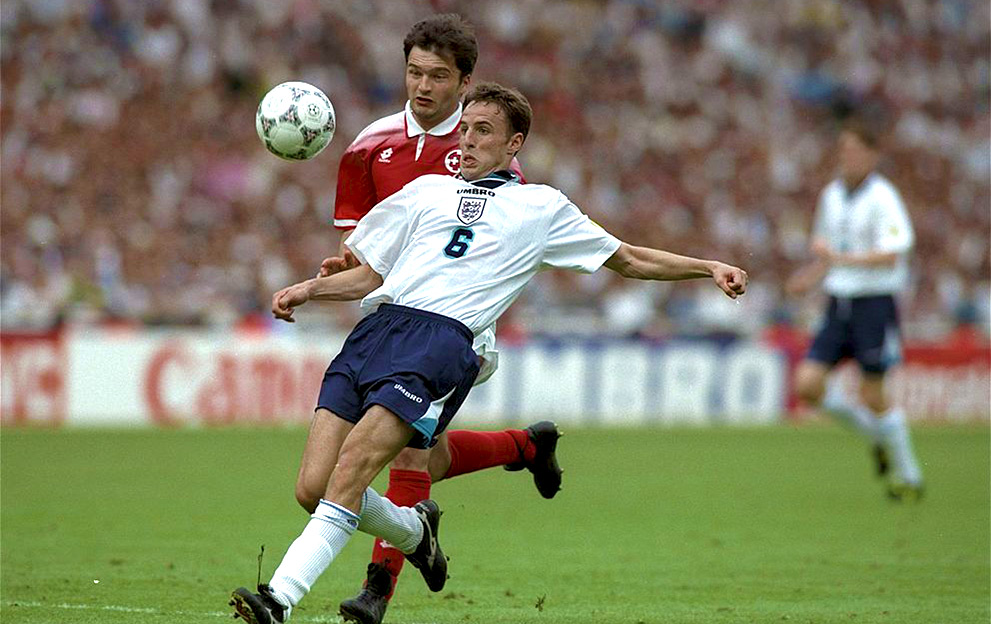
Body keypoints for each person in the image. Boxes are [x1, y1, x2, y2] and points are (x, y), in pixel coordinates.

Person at [230, 82, 748, 624]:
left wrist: (706, 266)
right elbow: (372, 273)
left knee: (354, 468)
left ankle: (278, 599)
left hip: (439, 344)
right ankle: (414, 531)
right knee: (314, 489)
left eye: (484, 131)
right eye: (466, 129)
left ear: (513, 144)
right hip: (374, 333)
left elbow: (629, 259)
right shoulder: (426, 191)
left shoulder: (541, 207)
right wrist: (310, 291)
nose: (468, 140)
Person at [317, 15, 556, 624]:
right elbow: (366, 244)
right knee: (428, 453)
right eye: (414, 72)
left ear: (465, 81)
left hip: (456, 325)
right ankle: (525, 446)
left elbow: (498, 236)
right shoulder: (367, 146)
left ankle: (377, 589)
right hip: (392, 315)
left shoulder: (482, 143)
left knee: (409, 458)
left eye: (438, 76)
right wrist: (343, 266)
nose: (423, 86)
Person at [787, 120, 924, 500]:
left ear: (871, 155)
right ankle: (877, 437)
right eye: (843, 149)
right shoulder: (832, 195)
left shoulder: (884, 198)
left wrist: (840, 259)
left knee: (873, 394)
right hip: (839, 301)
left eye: (853, 150)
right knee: (808, 385)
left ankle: (909, 477)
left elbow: (893, 253)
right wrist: (812, 275)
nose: (846, 157)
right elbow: (830, 249)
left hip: (874, 303)